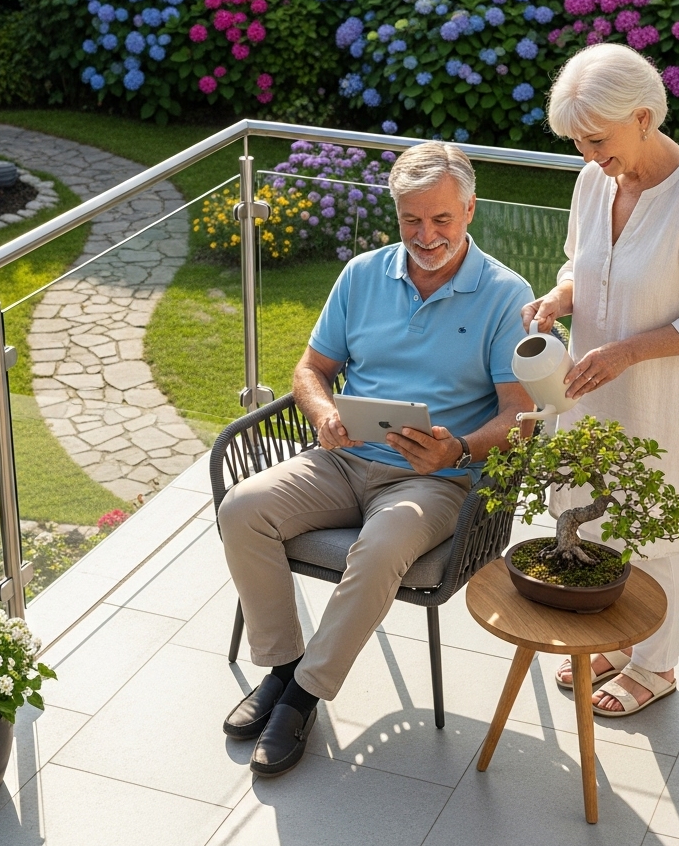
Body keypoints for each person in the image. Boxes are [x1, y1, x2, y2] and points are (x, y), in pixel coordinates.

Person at [219, 141, 534, 775]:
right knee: (243, 507)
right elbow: (311, 369)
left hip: (436, 478)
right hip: (343, 460)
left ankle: (303, 697)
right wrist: (323, 411)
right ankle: (283, 667)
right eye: (411, 220)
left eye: (441, 219)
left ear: (470, 209)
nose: (426, 235)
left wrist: (461, 447)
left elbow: (522, 417)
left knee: (385, 543)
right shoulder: (363, 274)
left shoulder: (506, 294)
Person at [523, 43, 679, 717]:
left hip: (662, 398)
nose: (589, 154)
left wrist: (626, 353)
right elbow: (581, 264)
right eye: (578, 142)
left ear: (644, 117)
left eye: (597, 138)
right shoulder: (594, 180)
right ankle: (614, 642)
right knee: (589, 511)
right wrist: (560, 299)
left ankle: (657, 664)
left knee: (653, 528)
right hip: (589, 387)